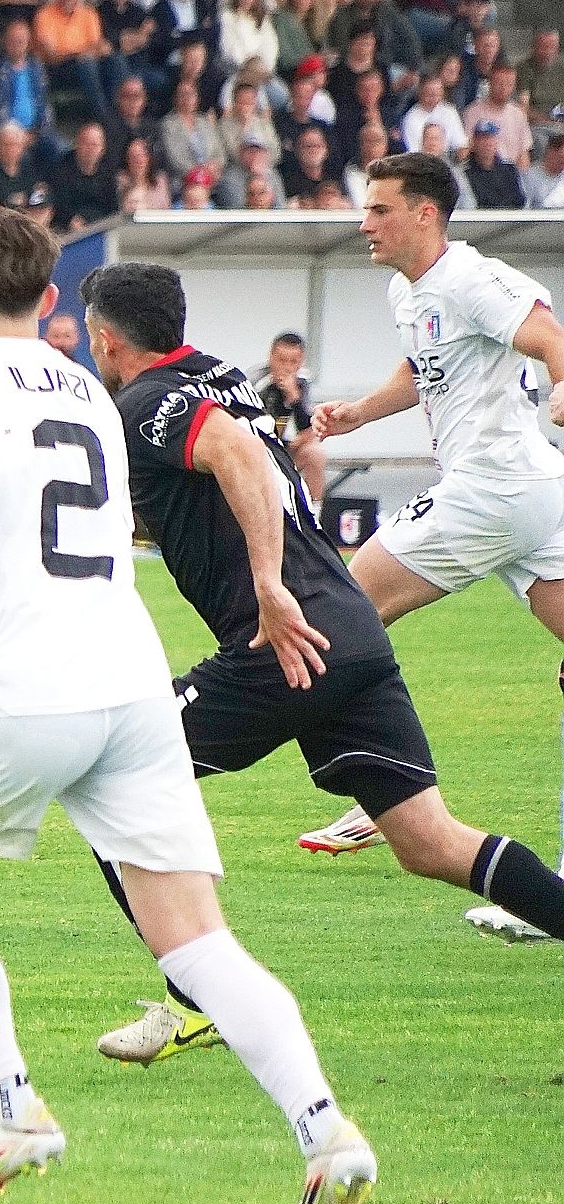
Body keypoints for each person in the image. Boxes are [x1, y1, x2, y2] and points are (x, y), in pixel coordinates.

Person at [0, 194, 376, 1204]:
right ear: (50, 298)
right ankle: (328, 1131)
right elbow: (81, 544)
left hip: (27, 689)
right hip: (132, 684)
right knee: (197, 941)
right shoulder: (92, 392)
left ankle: (15, 1111)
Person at [68, 260, 564, 1075]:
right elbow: (212, 487)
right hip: (352, 629)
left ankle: (198, 998)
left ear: (106, 339)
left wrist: (268, 585)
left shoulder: (147, 402)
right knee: (430, 843)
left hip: (284, 642)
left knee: (110, 776)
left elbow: (238, 459)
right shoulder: (220, 377)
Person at [293, 154, 564, 939]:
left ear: (425, 214)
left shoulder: (471, 277)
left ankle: (385, 795)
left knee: (339, 612)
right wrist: (361, 412)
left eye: (379, 209)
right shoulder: (407, 291)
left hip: (492, 490)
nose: (364, 224)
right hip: (531, 497)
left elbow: (550, 337)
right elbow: (426, 368)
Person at [254, 331, 322, 502]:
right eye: (282, 360)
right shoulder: (258, 382)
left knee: (315, 452)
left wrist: (294, 398)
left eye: (293, 362)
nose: (287, 368)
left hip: (284, 446)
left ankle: (315, 509)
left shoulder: (302, 383)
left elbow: (309, 428)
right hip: (258, 446)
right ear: (271, 357)